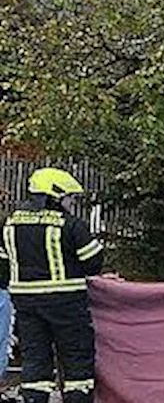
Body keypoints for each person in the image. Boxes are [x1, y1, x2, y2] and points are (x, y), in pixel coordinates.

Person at [0, 168, 104, 403]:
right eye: (69, 197)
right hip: (66, 304)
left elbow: (3, 269)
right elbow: (93, 263)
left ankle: (34, 398)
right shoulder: (71, 225)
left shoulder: (10, 223)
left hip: (26, 305)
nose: (71, 203)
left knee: (35, 360)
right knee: (76, 361)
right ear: (55, 195)